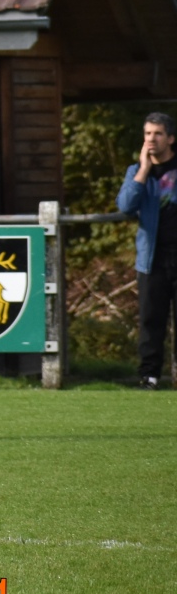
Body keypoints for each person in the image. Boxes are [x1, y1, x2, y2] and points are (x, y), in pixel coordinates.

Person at [119, 112, 177, 389]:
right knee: (151, 320)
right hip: (152, 258)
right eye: (147, 134)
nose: (151, 139)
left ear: (170, 138)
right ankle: (149, 375)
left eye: (158, 134)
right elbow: (126, 206)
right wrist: (143, 170)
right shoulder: (136, 172)